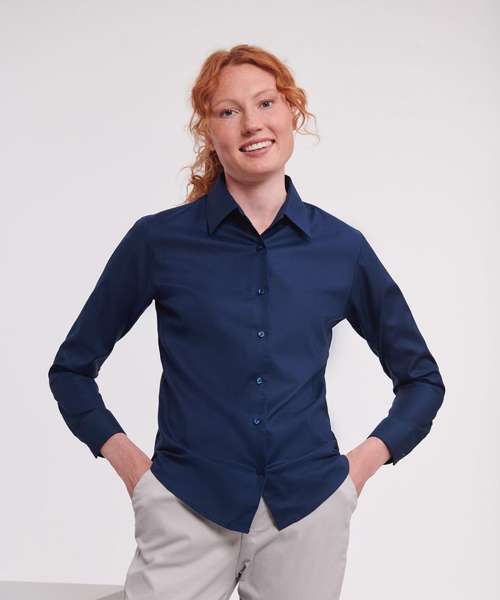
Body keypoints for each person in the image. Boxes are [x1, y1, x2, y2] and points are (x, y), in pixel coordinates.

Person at [48, 44, 446, 600]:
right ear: (208, 131)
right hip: (186, 505)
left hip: (307, 513)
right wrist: (139, 476)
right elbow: (71, 370)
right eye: (229, 111)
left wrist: (353, 475)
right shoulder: (159, 241)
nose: (252, 124)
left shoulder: (341, 249)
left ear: (292, 112)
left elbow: (422, 380)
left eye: (265, 103)